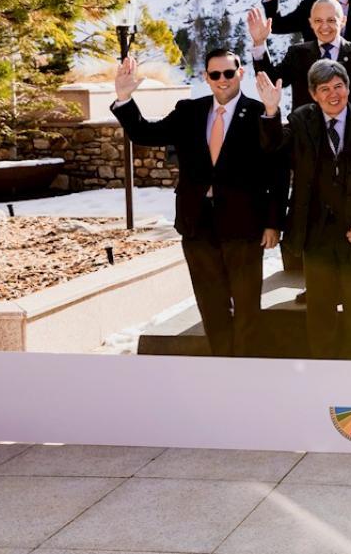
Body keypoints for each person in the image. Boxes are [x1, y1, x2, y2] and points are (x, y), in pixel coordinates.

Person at [111, 51, 284, 357]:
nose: (222, 81)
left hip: (244, 225)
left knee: (246, 307)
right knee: (211, 303)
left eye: (228, 74)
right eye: (214, 75)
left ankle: (246, 370)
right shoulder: (189, 111)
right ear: (206, 77)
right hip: (198, 223)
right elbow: (145, 133)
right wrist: (124, 98)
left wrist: (273, 223)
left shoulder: (260, 112)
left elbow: (276, 165)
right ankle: (221, 366)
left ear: (240, 74)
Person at [256, 61, 351, 359]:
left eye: (338, 87)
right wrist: (271, 112)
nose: (333, 94)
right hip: (314, 235)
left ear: (348, 88)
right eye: (325, 89)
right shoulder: (301, 120)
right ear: (313, 94)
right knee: (320, 314)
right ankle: (323, 376)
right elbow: (273, 148)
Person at [248, 0, 351, 113]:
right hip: (305, 133)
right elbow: (271, 82)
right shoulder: (297, 54)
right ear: (311, 23)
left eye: (331, 20)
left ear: (343, 21)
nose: (324, 26)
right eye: (318, 21)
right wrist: (259, 43)